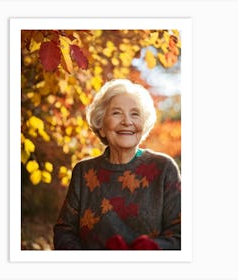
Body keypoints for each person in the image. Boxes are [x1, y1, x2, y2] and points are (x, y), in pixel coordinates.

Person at [53, 78, 181, 250]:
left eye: (135, 114)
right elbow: (64, 232)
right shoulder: (84, 172)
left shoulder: (164, 168)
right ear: (101, 125)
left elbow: (182, 236)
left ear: (143, 125)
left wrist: (150, 249)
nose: (127, 121)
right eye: (117, 113)